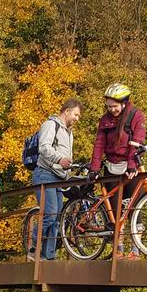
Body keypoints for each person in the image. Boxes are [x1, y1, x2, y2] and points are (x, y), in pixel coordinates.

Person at [88, 83, 147, 258]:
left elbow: (137, 140)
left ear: (124, 103)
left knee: (135, 207)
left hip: (130, 168)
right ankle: (118, 250)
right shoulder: (105, 120)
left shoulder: (136, 116)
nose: (111, 109)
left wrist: (131, 164)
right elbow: (99, 144)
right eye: (108, 106)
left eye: (114, 106)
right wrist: (94, 168)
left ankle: (136, 250)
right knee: (114, 211)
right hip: (111, 168)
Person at [31, 98, 83, 260]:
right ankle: (33, 247)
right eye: (76, 114)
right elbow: (44, 147)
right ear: (67, 111)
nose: (77, 118)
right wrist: (59, 160)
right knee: (51, 214)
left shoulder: (69, 131)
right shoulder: (50, 124)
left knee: (57, 218)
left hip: (59, 177)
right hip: (45, 174)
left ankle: (49, 256)